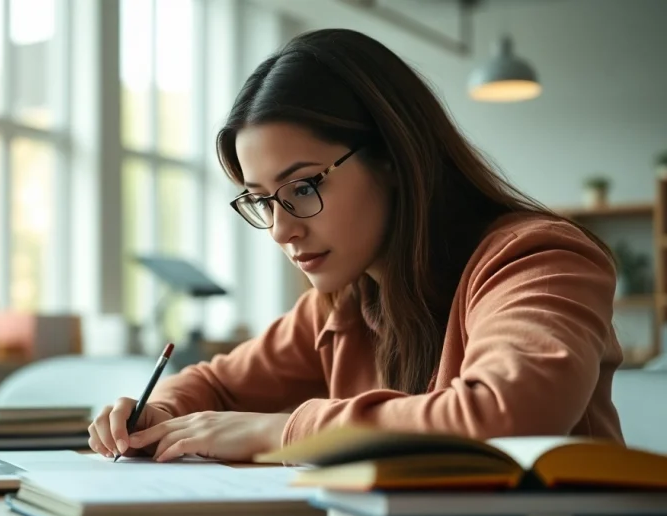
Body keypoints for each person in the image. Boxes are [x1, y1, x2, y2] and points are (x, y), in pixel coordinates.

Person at [88, 28, 625, 463]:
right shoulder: (345, 301)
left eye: (303, 186)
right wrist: (158, 411)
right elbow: (217, 385)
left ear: (392, 157)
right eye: (261, 200)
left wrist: (286, 431)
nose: (281, 229)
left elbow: (506, 416)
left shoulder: (538, 260)